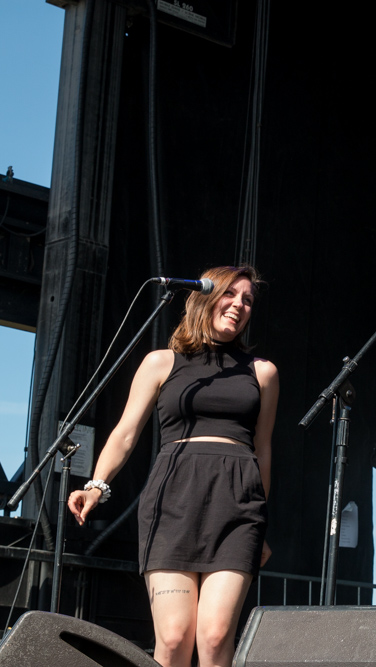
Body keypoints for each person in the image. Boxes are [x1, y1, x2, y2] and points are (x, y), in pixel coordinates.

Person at [67, 265, 279, 667]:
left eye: (248, 299)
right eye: (230, 294)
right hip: (174, 502)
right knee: (175, 637)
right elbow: (126, 432)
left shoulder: (263, 373)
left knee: (215, 638)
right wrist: (96, 484)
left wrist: (262, 523)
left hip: (237, 508)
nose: (239, 305)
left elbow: (263, 450)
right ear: (203, 296)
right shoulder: (161, 362)